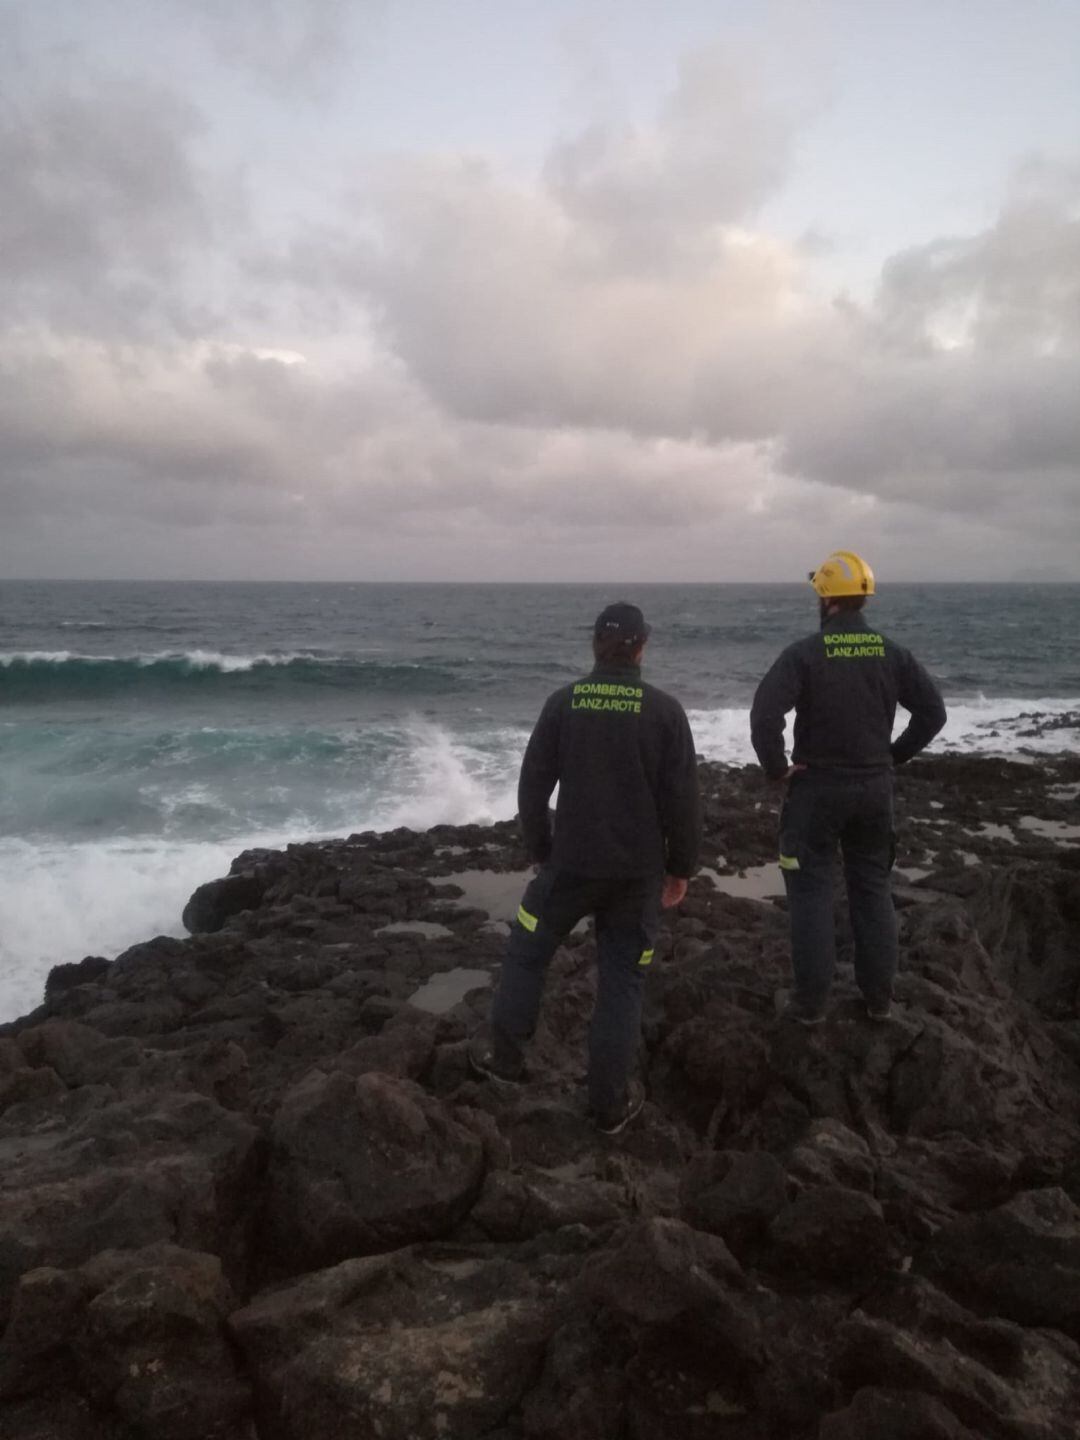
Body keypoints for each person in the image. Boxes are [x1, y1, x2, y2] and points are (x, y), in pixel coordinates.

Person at [470, 601, 701, 1134]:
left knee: (527, 955)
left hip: (568, 869)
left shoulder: (564, 703)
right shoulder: (665, 712)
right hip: (637, 878)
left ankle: (505, 1064)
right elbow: (684, 801)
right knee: (622, 983)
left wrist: (539, 848)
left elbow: (532, 786)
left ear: (595, 645)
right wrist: (680, 868)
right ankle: (607, 1106)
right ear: (643, 646)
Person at [750, 551, 946, 1025]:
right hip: (874, 792)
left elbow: (764, 716)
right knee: (872, 891)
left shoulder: (804, 654)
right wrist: (893, 756)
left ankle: (811, 1006)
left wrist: (777, 768)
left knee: (812, 894)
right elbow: (933, 714)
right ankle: (879, 1002)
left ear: (825, 599)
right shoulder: (892, 652)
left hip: (817, 792)